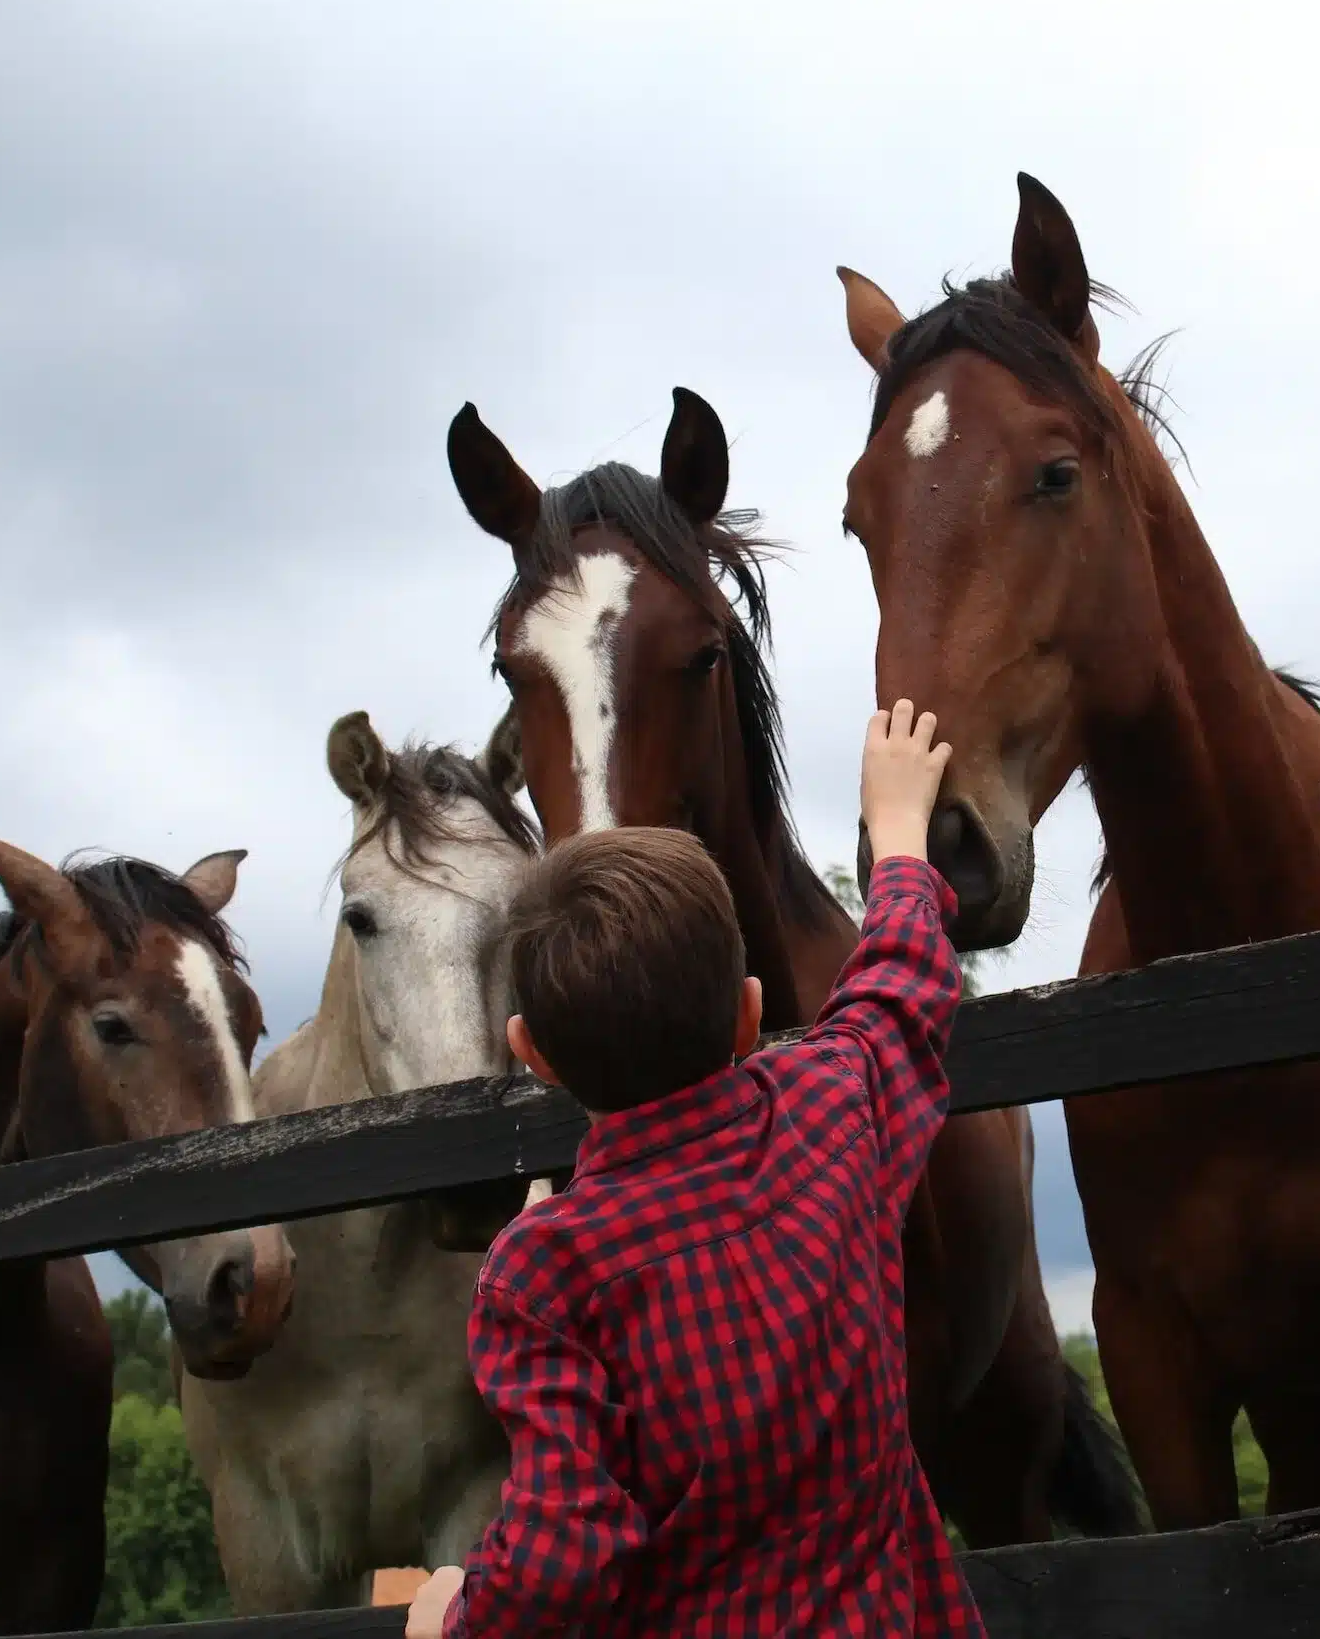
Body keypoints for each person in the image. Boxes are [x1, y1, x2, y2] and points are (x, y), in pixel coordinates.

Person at [408, 699, 986, 1638]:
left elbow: (557, 1557)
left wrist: (454, 1618)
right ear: (749, 1015)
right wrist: (899, 836)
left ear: (532, 1053)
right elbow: (900, 985)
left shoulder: (542, 1273)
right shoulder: (831, 1110)